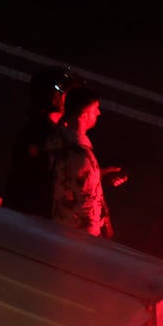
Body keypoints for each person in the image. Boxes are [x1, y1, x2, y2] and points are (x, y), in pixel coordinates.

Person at [45, 86, 126, 237]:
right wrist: (96, 239)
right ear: (82, 115)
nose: (99, 113)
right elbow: (88, 208)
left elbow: (69, 180)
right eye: (95, 109)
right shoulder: (81, 156)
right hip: (78, 236)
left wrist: (98, 175)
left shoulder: (57, 139)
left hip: (60, 225)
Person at [2, 66, 82, 217]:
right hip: (32, 218)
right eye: (70, 96)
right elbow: (44, 177)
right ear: (54, 97)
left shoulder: (52, 130)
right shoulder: (41, 133)